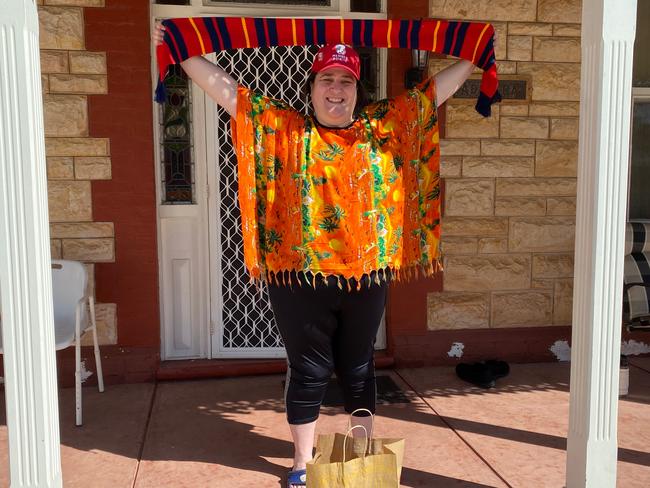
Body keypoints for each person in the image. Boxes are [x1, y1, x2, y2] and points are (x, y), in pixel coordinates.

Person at [153, 22, 474, 488]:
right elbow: (228, 92)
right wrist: (183, 53)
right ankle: (302, 462)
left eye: (345, 80)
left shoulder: (381, 128)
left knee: (360, 367)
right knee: (308, 370)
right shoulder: (287, 131)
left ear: (357, 90)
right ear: (312, 88)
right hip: (300, 279)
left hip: (367, 275)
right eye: (327, 79)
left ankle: (361, 456)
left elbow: (431, 95)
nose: (336, 89)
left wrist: (474, 57)